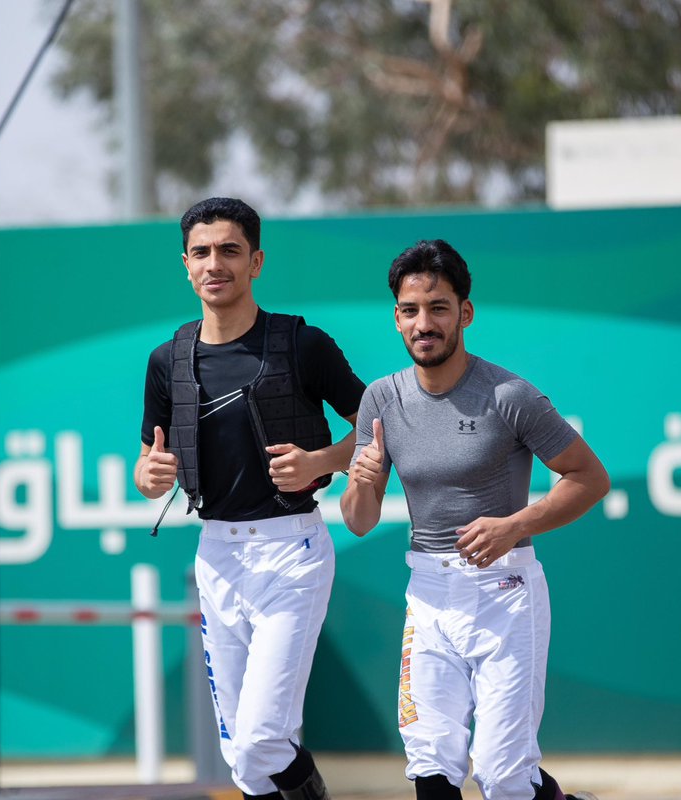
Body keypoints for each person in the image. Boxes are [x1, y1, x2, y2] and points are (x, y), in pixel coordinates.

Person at [340, 239, 610, 800]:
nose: (424, 324)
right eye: (411, 310)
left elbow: (589, 478)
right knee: (430, 764)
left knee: (503, 774)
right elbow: (359, 521)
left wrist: (515, 525)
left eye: (438, 308)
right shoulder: (380, 400)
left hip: (505, 594)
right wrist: (361, 482)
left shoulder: (509, 395)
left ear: (465, 313)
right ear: (396, 319)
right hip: (427, 596)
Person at [135, 197, 365, 800]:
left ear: (256, 262)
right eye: (202, 252)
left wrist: (320, 462)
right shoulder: (167, 362)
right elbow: (148, 463)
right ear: (186, 264)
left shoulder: (302, 344)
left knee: (263, 738)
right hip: (217, 556)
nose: (215, 264)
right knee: (243, 755)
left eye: (230, 251)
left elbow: (376, 427)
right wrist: (149, 476)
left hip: (292, 553)